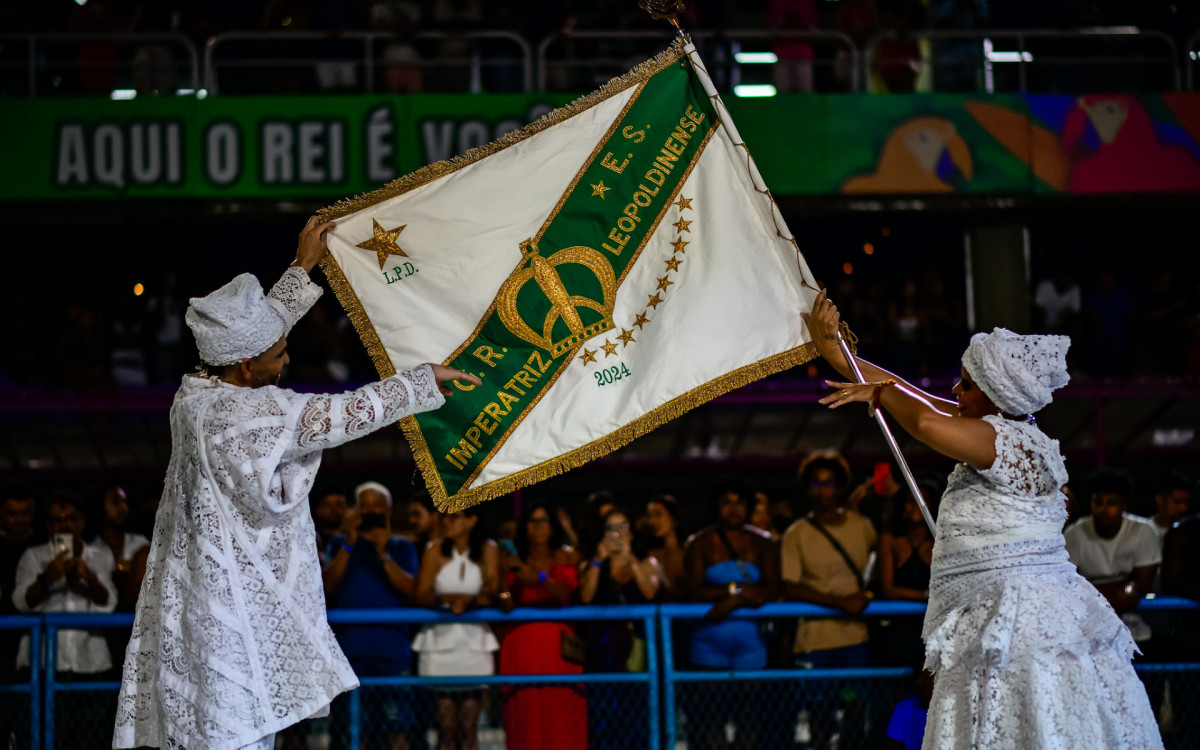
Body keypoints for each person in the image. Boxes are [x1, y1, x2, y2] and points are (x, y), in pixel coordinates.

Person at [112, 216, 480, 750]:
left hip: (199, 609)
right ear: (244, 365)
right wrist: (421, 381)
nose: (288, 359)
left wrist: (303, 267)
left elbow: (262, 329)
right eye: (279, 355)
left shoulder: (193, 394)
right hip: (231, 619)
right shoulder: (254, 414)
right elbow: (346, 411)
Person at [805, 290, 1162, 749]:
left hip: (1026, 629)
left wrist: (879, 392)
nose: (955, 391)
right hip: (992, 618)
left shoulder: (1013, 442)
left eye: (966, 384)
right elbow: (916, 399)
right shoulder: (995, 430)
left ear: (997, 395)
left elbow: (925, 423)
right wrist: (838, 354)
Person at [781, 451, 877, 748]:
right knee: (820, 718)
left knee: (857, 713)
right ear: (807, 488)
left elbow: (875, 573)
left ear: (841, 487)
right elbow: (791, 587)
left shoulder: (862, 526)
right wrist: (842, 603)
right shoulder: (796, 533)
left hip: (855, 639)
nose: (823, 490)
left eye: (830, 483)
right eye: (816, 484)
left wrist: (866, 595)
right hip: (814, 641)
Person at [682, 479, 780, 749]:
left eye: (740, 502)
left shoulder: (763, 544)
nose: (733, 509)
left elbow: (770, 590)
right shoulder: (700, 543)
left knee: (749, 722)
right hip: (707, 646)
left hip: (752, 647)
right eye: (726, 502)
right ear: (716, 507)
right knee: (711, 722)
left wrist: (730, 603)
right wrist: (738, 591)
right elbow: (691, 592)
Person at [323, 480, 421, 750]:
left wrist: (382, 551)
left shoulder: (402, 547)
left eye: (376, 507)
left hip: (392, 652)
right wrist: (350, 545)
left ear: (388, 512)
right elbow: (327, 587)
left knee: (397, 729)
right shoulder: (341, 544)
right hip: (350, 655)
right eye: (363, 506)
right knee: (356, 730)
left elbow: (411, 590)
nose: (369, 511)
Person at [412, 507, 501, 750]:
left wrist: (469, 602)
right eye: (444, 517)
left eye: (454, 517)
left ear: (472, 520)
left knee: (469, 729)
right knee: (446, 729)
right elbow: (421, 594)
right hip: (439, 646)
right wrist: (447, 600)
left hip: (473, 647)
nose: (446, 522)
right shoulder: (434, 549)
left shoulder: (488, 549)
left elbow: (493, 592)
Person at [499, 502, 586, 750]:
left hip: (558, 651)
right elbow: (506, 605)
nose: (538, 527)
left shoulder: (564, 556)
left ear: (552, 527)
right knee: (525, 715)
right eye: (532, 521)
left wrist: (539, 578)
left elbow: (563, 595)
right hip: (522, 650)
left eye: (543, 521)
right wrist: (503, 580)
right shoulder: (513, 559)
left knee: (561, 713)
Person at [579, 507, 661, 750]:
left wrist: (631, 561)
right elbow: (585, 596)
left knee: (637, 718)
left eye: (622, 527)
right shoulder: (593, 563)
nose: (616, 534)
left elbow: (649, 592)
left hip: (638, 652)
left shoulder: (647, 562)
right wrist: (598, 560)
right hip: (603, 652)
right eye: (610, 528)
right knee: (604, 719)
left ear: (632, 533)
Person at [1064, 469, 1160, 644]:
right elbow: (1068, 586)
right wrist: (1121, 590)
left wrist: (1091, 592)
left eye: (1112, 503)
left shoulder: (1143, 530)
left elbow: (1143, 585)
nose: (1104, 509)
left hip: (1133, 619)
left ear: (1124, 505)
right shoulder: (1074, 534)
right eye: (1098, 502)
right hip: (1086, 622)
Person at [88, 484, 150, 611]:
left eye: (124, 502)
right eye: (115, 502)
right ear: (100, 507)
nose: (123, 508)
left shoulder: (141, 544)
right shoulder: (90, 550)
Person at [643, 493, 685, 591]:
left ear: (673, 516)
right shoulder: (650, 556)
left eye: (658, 514)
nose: (652, 521)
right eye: (650, 516)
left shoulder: (689, 550)